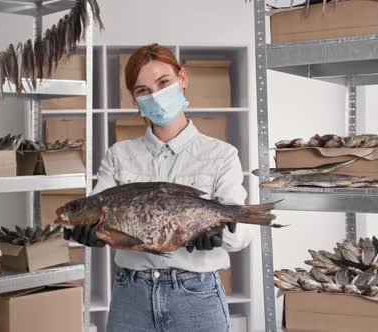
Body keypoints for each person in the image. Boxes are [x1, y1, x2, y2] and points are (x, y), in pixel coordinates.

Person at [64, 43, 252, 332]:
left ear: (183, 79)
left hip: (196, 296)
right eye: (143, 90)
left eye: (163, 83)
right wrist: (85, 233)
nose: (156, 96)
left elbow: (243, 234)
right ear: (134, 98)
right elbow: (96, 211)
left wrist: (219, 234)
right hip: (130, 297)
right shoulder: (118, 155)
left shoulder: (222, 154)